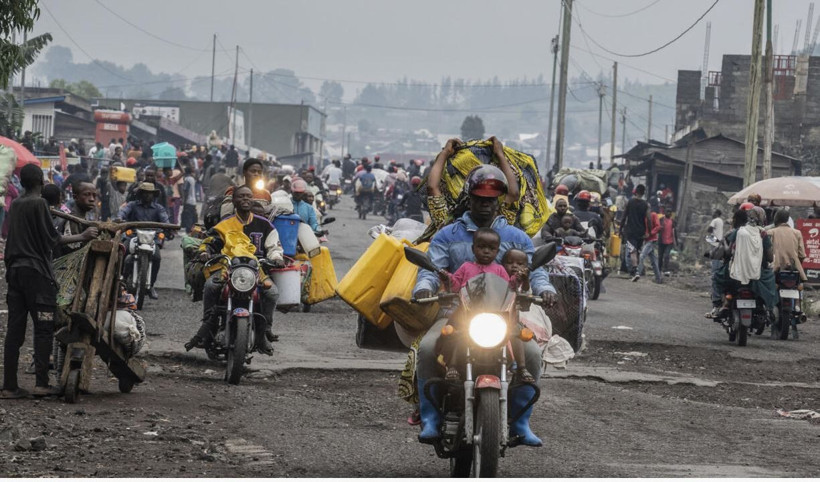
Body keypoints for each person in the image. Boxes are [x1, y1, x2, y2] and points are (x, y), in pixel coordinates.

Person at [413, 164, 556, 447]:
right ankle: (430, 418)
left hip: (504, 318)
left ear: (499, 201)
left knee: (532, 354)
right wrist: (424, 287)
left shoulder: (516, 237)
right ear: (469, 198)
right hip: (456, 315)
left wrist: (545, 289)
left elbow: (535, 270)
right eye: (479, 198)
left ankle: (520, 421)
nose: (485, 204)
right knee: (428, 349)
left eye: (491, 200)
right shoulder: (448, 234)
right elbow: (431, 269)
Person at [1, 164, 98, 399]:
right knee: (44, 328)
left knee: (14, 331)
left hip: (14, 272)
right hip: (36, 274)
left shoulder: (16, 204)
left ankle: (9, 386)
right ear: (42, 182)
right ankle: (41, 383)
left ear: (22, 182)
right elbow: (53, 239)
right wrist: (83, 236)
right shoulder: (40, 204)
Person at [185, 185, 283, 355]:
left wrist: (276, 257)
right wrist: (205, 252)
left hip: (255, 269)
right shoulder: (225, 225)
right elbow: (210, 241)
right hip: (228, 268)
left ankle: (264, 331)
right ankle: (209, 328)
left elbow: (274, 246)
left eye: (248, 196)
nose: (245, 199)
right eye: (241, 196)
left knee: (272, 293)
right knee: (211, 287)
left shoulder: (265, 225)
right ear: (234, 201)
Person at [714, 209, 777, 316]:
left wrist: (725, 243)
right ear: (762, 218)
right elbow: (770, 258)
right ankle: (768, 307)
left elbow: (728, 252)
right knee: (771, 279)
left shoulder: (738, 231)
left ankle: (720, 305)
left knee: (718, 276)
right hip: (757, 274)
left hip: (736, 274)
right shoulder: (763, 234)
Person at [118, 183, 171, 300]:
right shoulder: (132, 205)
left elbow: (165, 220)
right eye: (145, 193)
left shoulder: (158, 208)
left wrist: (169, 228)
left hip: (152, 239)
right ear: (140, 194)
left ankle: (151, 285)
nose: (148, 195)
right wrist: (120, 219)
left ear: (153, 195)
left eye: (150, 193)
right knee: (123, 251)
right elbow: (123, 212)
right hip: (133, 236)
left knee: (157, 257)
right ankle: (120, 279)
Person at [54, 181, 98, 258]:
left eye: (94, 195)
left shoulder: (84, 218)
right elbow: (71, 249)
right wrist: (84, 237)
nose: (92, 199)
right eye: (86, 194)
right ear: (75, 197)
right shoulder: (71, 220)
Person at [768, 209, 808, 282]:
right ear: (787, 219)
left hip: (775, 270)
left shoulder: (770, 232)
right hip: (794, 270)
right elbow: (802, 255)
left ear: (776, 218)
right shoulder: (797, 233)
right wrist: (796, 263)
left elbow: (768, 252)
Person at [621, 184, 651, 278]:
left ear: (636, 192)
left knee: (632, 251)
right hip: (640, 232)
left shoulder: (629, 202)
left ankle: (634, 270)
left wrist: (620, 228)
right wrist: (648, 232)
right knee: (637, 251)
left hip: (630, 231)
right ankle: (635, 269)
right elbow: (649, 219)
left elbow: (624, 216)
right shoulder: (646, 205)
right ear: (643, 193)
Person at [705, 209, 726, 317]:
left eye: (714, 212)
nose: (712, 214)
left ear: (717, 213)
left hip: (715, 245)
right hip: (719, 244)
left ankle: (716, 302)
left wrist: (708, 235)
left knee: (715, 271)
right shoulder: (721, 221)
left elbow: (709, 229)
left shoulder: (715, 220)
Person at [635, 209, 662, 284]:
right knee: (653, 261)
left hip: (652, 239)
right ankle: (658, 278)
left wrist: (650, 233)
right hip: (647, 240)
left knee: (642, 256)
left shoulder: (653, 215)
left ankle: (637, 274)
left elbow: (658, 226)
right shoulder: (644, 217)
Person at [658, 210, 678, 275]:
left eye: (669, 212)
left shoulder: (673, 221)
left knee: (666, 255)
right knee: (660, 256)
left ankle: (665, 269)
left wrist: (675, 242)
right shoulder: (661, 220)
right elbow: (658, 228)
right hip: (661, 241)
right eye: (667, 212)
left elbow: (674, 232)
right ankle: (658, 269)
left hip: (669, 241)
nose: (668, 213)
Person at [181, 166, 198, 232]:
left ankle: (188, 229)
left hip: (188, 201)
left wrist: (184, 200)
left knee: (188, 216)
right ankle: (192, 228)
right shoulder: (192, 179)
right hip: (193, 200)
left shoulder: (187, 179)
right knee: (192, 215)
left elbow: (186, 190)